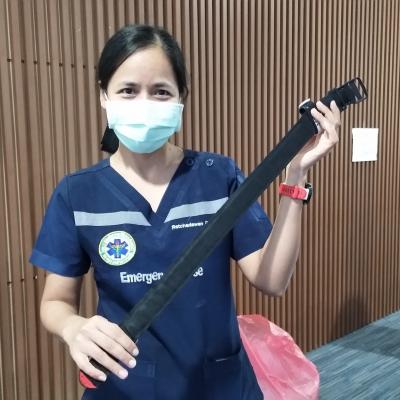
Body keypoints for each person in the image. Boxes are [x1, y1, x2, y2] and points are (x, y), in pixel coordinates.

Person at [30, 24, 340, 400]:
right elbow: (55, 302)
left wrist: (296, 175)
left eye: (161, 91)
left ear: (181, 99)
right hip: (126, 387)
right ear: (103, 96)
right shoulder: (78, 194)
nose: (144, 102)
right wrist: (73, 328)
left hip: (219, 385)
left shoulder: (217, 177)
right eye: (128, 90)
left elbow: (271, 280)